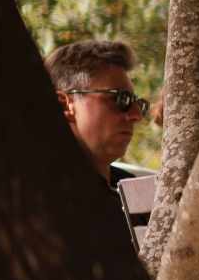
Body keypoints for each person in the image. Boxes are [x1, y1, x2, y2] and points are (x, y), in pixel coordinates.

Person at [44, 39, 154, 229]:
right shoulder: (34, 197)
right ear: (64, 104)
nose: (136, 115)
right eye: (121, 99)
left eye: (138, 103)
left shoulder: (140, 192)